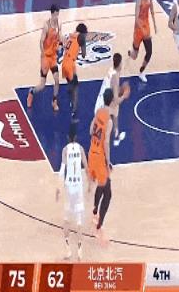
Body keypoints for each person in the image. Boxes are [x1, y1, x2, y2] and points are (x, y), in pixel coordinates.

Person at [56, 126, 88, 260]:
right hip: (78, 186)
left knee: (66, 219)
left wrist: (58, 188)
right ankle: (80, 250)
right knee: (79, 220)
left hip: (69, 186)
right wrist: (90, 184)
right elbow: (86, 166)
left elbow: (62, 171)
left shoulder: (65, 150)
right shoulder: (80, 149)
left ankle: (68, 249)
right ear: (76, 137)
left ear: (67, 137)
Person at [88, 88, 113, 242]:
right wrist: (108, 161)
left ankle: (95, 210)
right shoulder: (109, 121)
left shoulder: (98, 112)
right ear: (112, 101)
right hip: (99, 158)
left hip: (91, 152)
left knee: (102, 185)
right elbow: (106, 143)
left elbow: (91, 130)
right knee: (108, 194)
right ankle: (98, 228)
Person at [27, 4, 62, 111]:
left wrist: (60, 45)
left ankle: (54, 101)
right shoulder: (46, 25)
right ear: (52, 14)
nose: (57, 16)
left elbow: (60, 37)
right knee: (42, 85)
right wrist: (43, 54)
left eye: (58, 14)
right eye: (56, 14)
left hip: (53, 57)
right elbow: (41, 41)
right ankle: (31, 92)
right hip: (46, 57)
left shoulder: (59, 24)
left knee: (57, 81)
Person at [94, 53, 130, 146]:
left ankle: (116, 131)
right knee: (116, 106)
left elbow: (113, 90)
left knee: (115, 107)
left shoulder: (111, 70)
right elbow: (117, 100)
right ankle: (115, 132)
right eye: (122, 62)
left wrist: (120, 90)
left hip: (101, 100)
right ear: (120, 64)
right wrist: (124, 95)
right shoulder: (115, 76)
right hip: (101, 106)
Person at [128, 0, 157, 83]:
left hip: (146, 27)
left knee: (149, 52)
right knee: (134, 57)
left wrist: (155, 25)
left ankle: (141, 71)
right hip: (138, 29)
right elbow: (136, 18)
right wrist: (142, 29)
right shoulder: (139, 0)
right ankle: (130, 52)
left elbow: (152, 11)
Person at [61, 23, 88, 121]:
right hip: (70, 64)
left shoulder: (71, 35)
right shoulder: (81, 37)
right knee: (76, 88)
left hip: (65, 62)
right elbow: (84, 54)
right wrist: (83, 44)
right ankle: (74, 111)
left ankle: (69, 91)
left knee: (72, 81)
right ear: (83, 33)